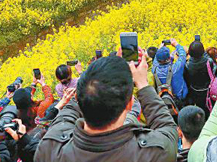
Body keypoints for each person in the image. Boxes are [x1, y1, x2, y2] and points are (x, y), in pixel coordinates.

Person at [35, 54, 178, 161]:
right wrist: (142, 84)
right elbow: (167, 128)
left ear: (80, 99)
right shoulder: (152, 153)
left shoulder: (50, 149)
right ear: (129, 103)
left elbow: (65, 117)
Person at [184, 40, 215, 116]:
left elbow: (187, 79)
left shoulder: (187, 65)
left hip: (195, 92)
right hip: (208, 91)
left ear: (189, 53)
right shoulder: (209, 62)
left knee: (200, 108)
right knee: (209, 108)